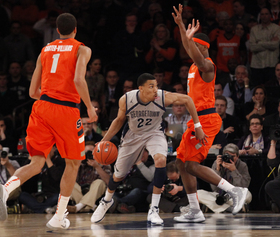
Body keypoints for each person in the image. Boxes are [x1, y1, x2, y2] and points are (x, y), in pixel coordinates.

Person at [0, 13, 97, 231]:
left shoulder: (44, 51)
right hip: (66, 110)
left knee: (36, 163)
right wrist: (89, 107)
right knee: (73, 163)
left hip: (41, 107)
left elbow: (32, 92)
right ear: (75, 30)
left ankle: (6, 188)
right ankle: (59, 216)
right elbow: (78, 79)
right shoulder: (82, 49)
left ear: (57, 31)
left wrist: (50, 99)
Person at [91, 72, 207, 225]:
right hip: (133, 135)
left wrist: (198, 126)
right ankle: (106, 201)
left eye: (156, 86)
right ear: (141, 88)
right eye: (151, 86)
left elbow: (188, 100)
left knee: (160, 160)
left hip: (154, 133)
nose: (155, 89)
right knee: (118, 176)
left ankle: (154, 208)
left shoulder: (162, 96)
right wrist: (102, 141)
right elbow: (119, 121)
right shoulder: (126, 99)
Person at [172, 4, 248, 223]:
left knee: (193, 165)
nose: (190, 49)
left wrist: (187, 37)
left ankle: (234, 191)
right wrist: (180, 26)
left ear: (203, 48)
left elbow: (194, 53)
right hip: (195, 121)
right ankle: (195, 210)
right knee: (181, 163)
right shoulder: (194, 67)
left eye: (195, 46)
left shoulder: (208, 66)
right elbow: (190, 50)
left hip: (206, 120)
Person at [197, 143, 252, 213]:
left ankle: (215, 207)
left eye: (233, 156)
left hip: (234, 196)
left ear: (238, 156)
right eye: (227, 156)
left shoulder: (242, 165)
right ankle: (229, 208)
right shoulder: (217, 163)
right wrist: (218, 170)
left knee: (248, 195)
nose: (229, 158)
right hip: (218, 196)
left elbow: (243, 186)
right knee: (198, 194)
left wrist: (234, 171)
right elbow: (214, 188)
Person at [68, 141, 111, 213]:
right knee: (70, 183)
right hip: (81, 191)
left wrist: (97, 166)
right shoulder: (80, 164)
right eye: (86, 153)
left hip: (97, 192)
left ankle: (78, 207)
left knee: (99, 182)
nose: (88, 155)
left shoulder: (103, 162)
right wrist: (77, 165)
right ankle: (90, 207)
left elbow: (109, 182)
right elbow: (72, 179)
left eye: (90, 153)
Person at [249, 7, 280, 86]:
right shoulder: (254, 29)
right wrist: (269, 42)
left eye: (266, 14)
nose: (264, 16)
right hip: (257, 65)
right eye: (262, 14)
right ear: (260, 16)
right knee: (257, 89)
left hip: (271, 64)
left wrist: (259, 42)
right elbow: (252, 47)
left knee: (271, 90)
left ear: (270, 15)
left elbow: (275, 45)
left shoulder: (276, 28)